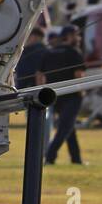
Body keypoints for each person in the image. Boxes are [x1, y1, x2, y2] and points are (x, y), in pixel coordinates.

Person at [39, 26, 87, 165]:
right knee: (65, 127)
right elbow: (79, 74)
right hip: (72, 95)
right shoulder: (74, 52)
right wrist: (81, 91)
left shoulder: (50, 52)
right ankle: (49, 156)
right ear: (69, 36)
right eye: (76, 35)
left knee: (69, 127)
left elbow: (39, 74)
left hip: (55, 95)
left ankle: (76, 159)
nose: (79, 38)